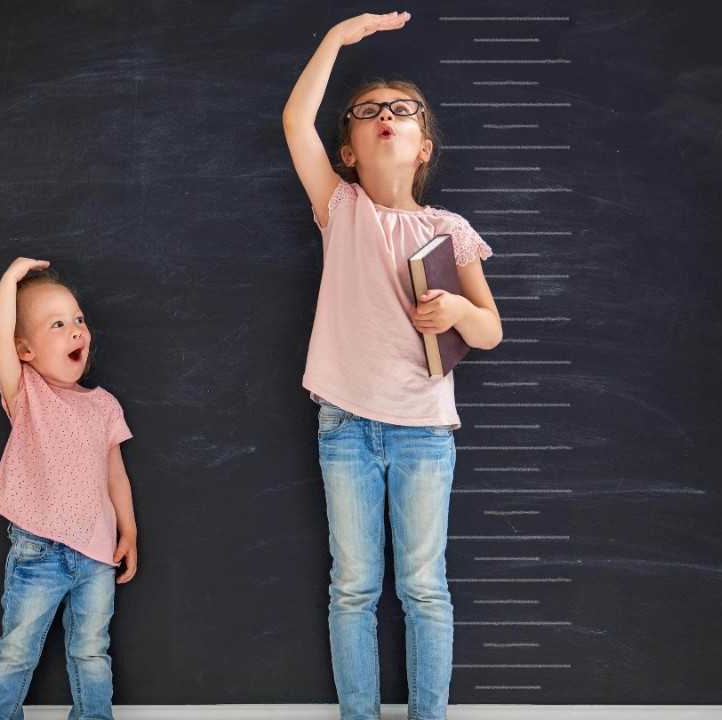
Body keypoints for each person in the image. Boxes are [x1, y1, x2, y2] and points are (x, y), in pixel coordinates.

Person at [282, 12, 504, 720]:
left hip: (423, 429)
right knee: (352, 585)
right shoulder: (340, 208)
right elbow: (294, 120)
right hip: (344, 423)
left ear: (422, 146)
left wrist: (460, 316)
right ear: (347, 150)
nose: (386, 117)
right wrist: (337, 40)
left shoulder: (449, 230)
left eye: (402, 112)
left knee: (423, 586)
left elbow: (491, 329)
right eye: (369, 112)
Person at [0, 257, 138, 720]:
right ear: (25, 350)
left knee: (91, 652)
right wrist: (9, 279)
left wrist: (128, 533)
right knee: (16, 650)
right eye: (58, 324)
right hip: (37, 554)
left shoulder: (104, 405)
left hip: (95, 554)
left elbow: (116, 476)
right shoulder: (27, 394)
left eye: (79, 320)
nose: (75, 331)